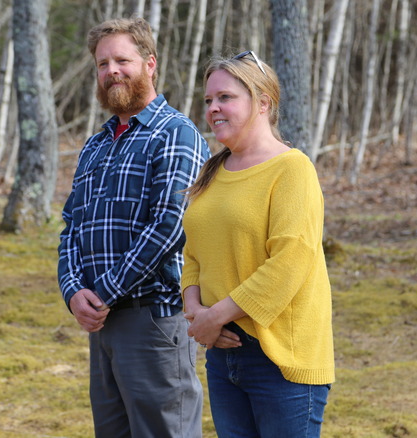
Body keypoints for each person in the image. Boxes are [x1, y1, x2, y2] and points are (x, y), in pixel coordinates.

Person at [57, 18, 208, 438]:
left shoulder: (175, 134)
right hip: (102, 325)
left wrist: (101, 291)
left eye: (122, 60)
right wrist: (72, 291)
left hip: (153, 320)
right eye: (102, 64)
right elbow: (73, 224)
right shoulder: (96, 144)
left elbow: (169, 227)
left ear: (149, 64)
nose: (112, 71)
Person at [181, 50, 335, 437]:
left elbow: (289, 263)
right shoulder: (213, 173)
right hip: (223, 354)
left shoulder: (292, 169)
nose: (213, 108)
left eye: (225, 98)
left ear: (263, 102)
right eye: (208, 100)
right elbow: (195, 253)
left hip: (280, 359)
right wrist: (196, 313)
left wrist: (214, 317)